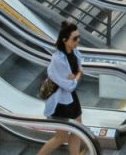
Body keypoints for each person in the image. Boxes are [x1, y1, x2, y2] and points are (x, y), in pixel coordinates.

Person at [35, 19, 88, 155]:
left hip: (70, 97)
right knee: (61, 137)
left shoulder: (75, 52)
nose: (78, 41)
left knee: (77, 128)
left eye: (79, 37)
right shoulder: (58, 60)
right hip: (59, 100)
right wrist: (77, 76)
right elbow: (69, 84)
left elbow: (78, 70)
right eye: (75, 38)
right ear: (65, 40)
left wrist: (75, 75)